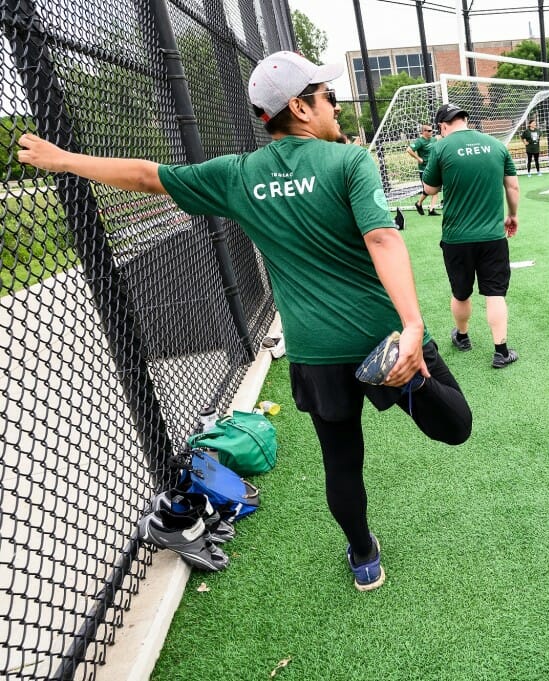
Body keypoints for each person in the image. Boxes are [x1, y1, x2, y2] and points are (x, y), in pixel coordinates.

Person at [17, 50, 474, 593]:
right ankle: (415, 382)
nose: (333, 104)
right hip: (381, 337)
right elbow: (382, 237)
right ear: (300, 107)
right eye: (326, 96)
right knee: (457, 425)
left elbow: (143, 176)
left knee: (341, 460)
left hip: (314, 351)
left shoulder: (238, 175)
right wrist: (413, 326)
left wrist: (65, 159)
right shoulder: (349, 163)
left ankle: (362, 554)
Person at [421, 103, 521, 369]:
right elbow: (512, 185)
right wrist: (512, 215)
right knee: (495, 293)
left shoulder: (440, 147)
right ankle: (501, 350)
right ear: (465, 120)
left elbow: (429, 188)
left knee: (461, 293)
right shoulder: (496, 145)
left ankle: (462, 337)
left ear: (443, 126)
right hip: (492, 236)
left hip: (456, 238)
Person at [406, 123, 440, 215]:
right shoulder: (419, 141)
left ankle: (431, 210)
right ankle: (419, 203)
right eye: (428, 131)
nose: (431, 132)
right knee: (427, 190)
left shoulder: (434, 139)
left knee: (436, 189)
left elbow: (440, 138)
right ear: (423, 131)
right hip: (424, 169)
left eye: (431, 130)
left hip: (433, 168)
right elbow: (409, 149)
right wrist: (418, 158)